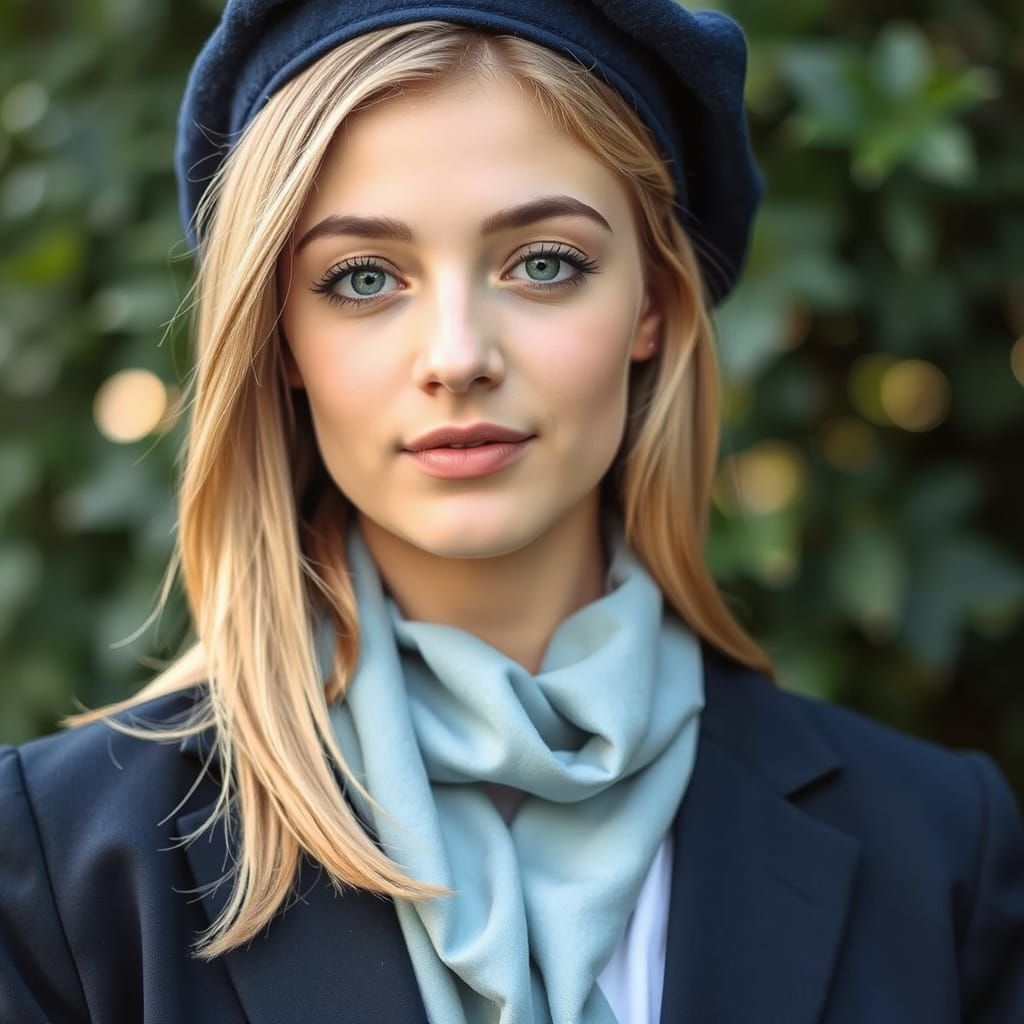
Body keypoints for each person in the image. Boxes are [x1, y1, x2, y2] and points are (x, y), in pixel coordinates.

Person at [1, 1, 1022, 1021]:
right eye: (362, 278)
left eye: (543, 262)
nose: (456, 355)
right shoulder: (60, 866)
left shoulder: (939, 851)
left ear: (654, 305)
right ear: (278, 339)